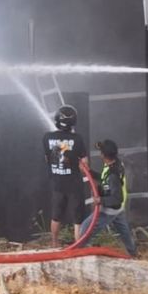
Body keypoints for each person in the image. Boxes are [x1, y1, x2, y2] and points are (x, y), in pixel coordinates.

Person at [77, 139, 138, 256]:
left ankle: (81, 253)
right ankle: (133, 252)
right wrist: (89, 171)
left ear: (103, 156)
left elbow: (117, 198)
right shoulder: (114, 164)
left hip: (109, 209)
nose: (99, 153)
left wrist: (101, 200)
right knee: (124, 231)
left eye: (101, 151)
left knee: (86, 229)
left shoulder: (113, 175)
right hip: (117, 209)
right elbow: (103, 178)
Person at [43, 104, 86, 247]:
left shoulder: (47, 137)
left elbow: (46, 159)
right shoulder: (77, 139)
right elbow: (84, 166)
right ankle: (78, 245)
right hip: (74, 184)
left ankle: (54, 244)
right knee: (77, 219)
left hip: (56, 183)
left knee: (56, 215)